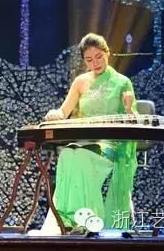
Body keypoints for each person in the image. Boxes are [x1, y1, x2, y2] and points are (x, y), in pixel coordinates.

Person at [29, 33, 138, 236]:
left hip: (110, 145)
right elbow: (63, 112)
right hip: (85, 141)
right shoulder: (80, 82)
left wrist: (129, 109)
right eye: (89, 60)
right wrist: (54, 114)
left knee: (79, 156)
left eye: (98, 57)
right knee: (68, 153)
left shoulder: (122, 82)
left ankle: (88, 220)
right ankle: (68, 219)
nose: (95, 63)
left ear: (107, 53)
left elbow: (134, 121)